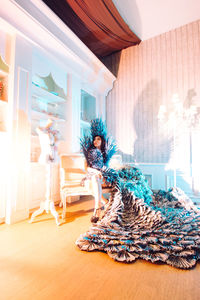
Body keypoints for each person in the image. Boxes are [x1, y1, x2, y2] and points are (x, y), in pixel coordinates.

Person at [76, 118, 200, 269]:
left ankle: (107, 203)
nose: (97, 141)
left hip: (104, 174)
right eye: (95, 139)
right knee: (94, 180)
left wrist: (106, 170)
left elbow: (105, 166)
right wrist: (95, 171)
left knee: (125, 179)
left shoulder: (102, 153)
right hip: (93, 175)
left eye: (99, 139)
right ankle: (99, 207)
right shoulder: (89, 153)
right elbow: (87, 168)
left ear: (102, 141)